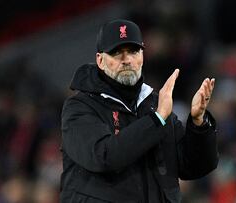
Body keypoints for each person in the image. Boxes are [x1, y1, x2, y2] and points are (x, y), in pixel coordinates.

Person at [60, 19, 218, 203]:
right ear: (100, 60)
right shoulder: (80, 107)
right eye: (117, 53)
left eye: (133, 51)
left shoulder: (153, 104)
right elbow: (105, 156)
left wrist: (199, 123)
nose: (126, 60)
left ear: (142, 55)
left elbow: (194, 166)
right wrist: (157, 119)